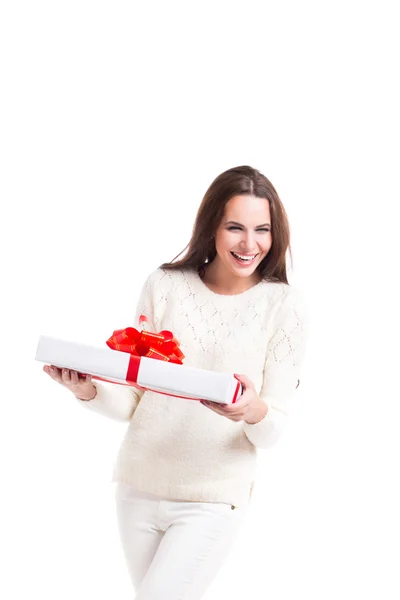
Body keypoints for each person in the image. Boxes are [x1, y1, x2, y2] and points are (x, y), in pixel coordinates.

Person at [43, 165, 308, 600]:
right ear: (212, 227)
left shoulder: (284, 306)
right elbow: (134, 399)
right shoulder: (165, 286)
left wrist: (251, 409)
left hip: (212, 497)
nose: (249, 244)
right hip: (138, 486)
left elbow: (274, 426)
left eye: (262, 229)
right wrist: (85, 389)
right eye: (235, 227)